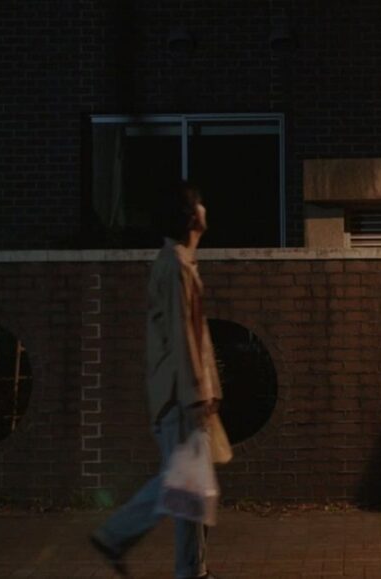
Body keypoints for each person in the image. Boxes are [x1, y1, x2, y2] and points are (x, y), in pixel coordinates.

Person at [90, 181, 230, 578]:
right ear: (191, 216)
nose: (205, 209)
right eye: (199, 203)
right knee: (185, 487)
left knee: (193, 489)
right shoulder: (174, 266)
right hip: (179, 397)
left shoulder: (179, 263)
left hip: (181, 394)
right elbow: (184, 336)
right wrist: (198, 394)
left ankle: (187, 566)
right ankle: (121, 537)